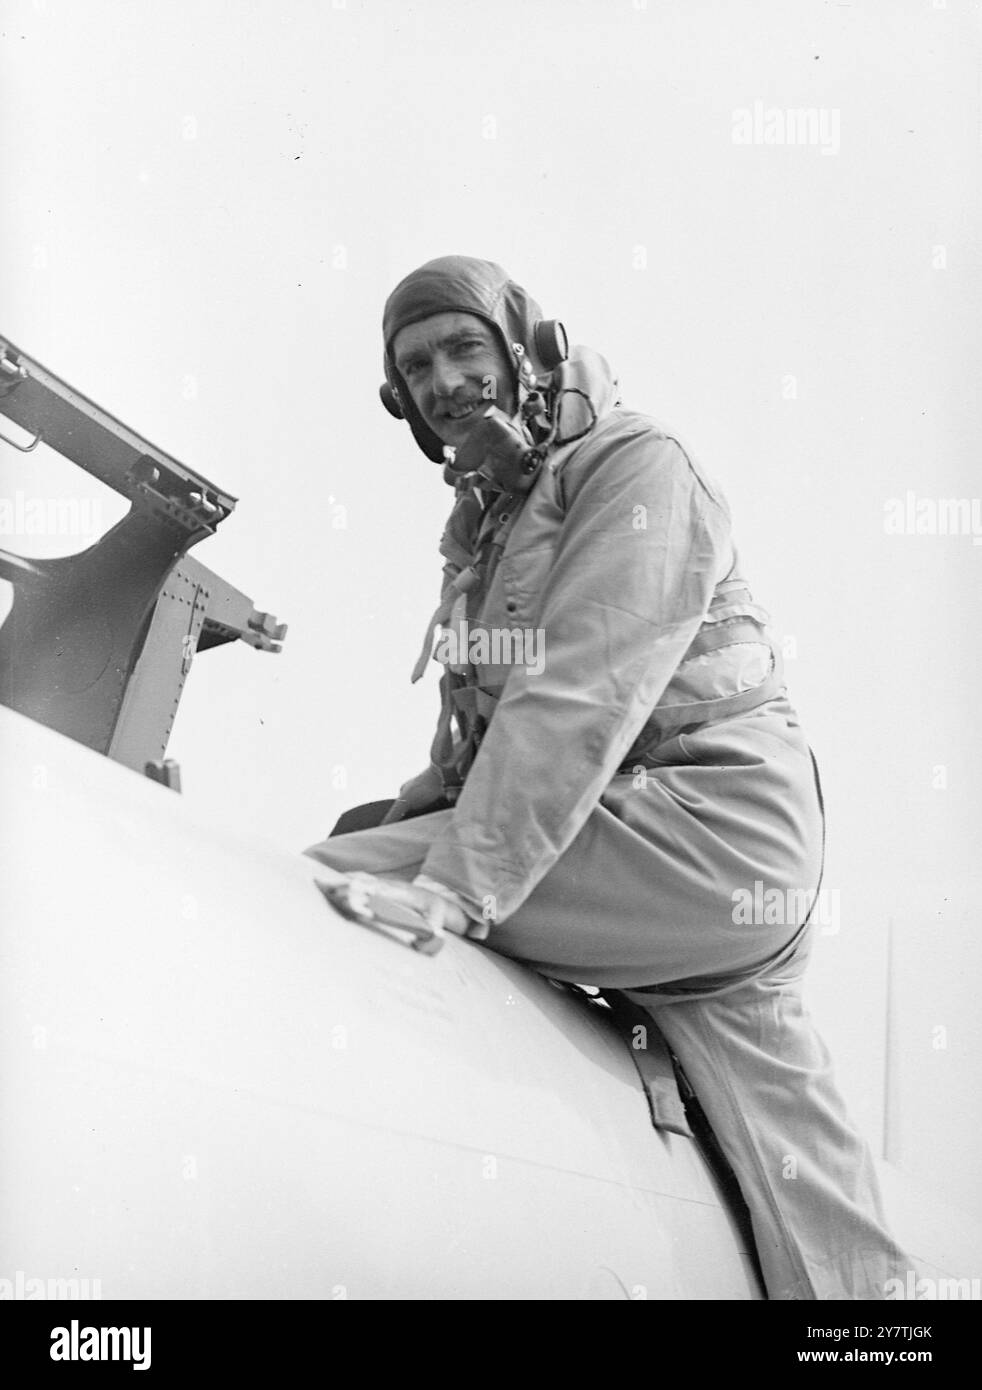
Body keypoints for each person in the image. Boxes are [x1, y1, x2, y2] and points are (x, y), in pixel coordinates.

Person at [305, 254, 910, 1299]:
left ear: (523, 349)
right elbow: (478, 746)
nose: (444, 381)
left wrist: (450, 888)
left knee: (318, 878)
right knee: (824, 1223)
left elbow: (579, 689)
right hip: (705, 905)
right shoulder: (492, 525)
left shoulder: (636, 466)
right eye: (416, 366)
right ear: (397, 399)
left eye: (464, 348)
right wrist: (413, 810)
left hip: (703, 836)